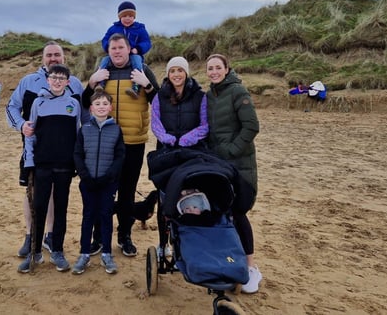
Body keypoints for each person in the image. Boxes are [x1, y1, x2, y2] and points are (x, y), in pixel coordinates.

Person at [6, 41, 90, 262]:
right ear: (43, 59)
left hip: (63, 152)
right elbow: (11, 106)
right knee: (32, 193)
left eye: (57, 55)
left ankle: (51, 236)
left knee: (57, 194)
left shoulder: (75, 86)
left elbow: (84, 116)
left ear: (63, 58)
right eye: (49, 55)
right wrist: (21, 125)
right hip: (35, 149)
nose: (53, 58)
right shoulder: (28, 82)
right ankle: (30, 235)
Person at [83, 33, 159, 257]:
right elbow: (85, 102)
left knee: (126, 192)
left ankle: (124, 236)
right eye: (113, 48)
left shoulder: (142, 71)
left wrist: (147, 86)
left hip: (133, 142)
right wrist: (91, 82)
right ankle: (98, 237)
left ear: (129, 50)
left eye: (121, 48)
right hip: (105, 143)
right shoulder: (102, 73)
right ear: (109, 51)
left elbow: (160, 103)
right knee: (103, 192)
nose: (117, 52)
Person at [205, 53, 262, 294]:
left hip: (240, 166)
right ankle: (228, 263)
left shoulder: (238, 92)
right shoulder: (209, 96)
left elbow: (251, 126)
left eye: (218, 67)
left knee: (238, 213)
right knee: (221, 214)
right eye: (210, 68)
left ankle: (250, 268)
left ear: (227, 69)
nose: (214, 71)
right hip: (218, 166)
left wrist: (231, 151)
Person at [18, 64, 81, 274]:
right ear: (48, 80)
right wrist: (29, 164)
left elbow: (77, 136)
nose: (57, 81)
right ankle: (34, 252)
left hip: (64, 167)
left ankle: (57, 250)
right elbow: (30, 134)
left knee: (61, 210)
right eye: (54, 78)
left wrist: (77, 163)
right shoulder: (38, 103)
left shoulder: (73, 104)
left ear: (68, 82)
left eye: (61, 79)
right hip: (42, 166)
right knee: (39, 208)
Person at [150, 56, 208, 256]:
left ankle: (189, 241)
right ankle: (163, 243)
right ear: (168, 74)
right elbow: (155, 121)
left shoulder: (200, 96)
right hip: (166, 152)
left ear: (186, 73)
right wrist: (166, 137)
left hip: (192, 151)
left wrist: (187, 138)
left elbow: (204, 124)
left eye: (180, 70)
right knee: (164, 197)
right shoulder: (160, 96)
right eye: (172, 71)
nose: (176, 74)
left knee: (191, 193)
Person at [72, 88, 126, 275]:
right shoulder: (84, 129)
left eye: (105, 104)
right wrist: (85, 176)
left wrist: (108, 177)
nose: (101, 107)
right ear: (91, 108)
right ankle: (84, 253)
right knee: (88, 216)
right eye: (97, 104)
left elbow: (119, 157)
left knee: (105, 216)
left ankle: (107, 254)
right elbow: (78, 154)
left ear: (110, 107)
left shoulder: (117, 130)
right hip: (88, 182)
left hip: (107, 183)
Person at [99, 1, 152, 99]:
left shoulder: (140, 29)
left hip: (133, 54)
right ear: (119, 17)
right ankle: (101, 84)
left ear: (134, 17)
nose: (127, 18)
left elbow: (147, 42)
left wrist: (138, 49)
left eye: (130, 16)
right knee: (104, 61)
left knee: (137, 62)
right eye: (124, 16)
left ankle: (136, 87)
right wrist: (109, 48)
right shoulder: (113, 28)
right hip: (116, 55)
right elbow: (105, 39)